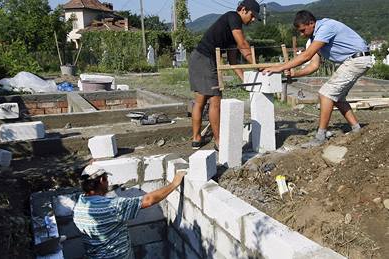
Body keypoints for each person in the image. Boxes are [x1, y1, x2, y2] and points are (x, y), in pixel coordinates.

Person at [263, 10, 373, 147]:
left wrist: (279, 67)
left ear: (311, 23)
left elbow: (306, 56)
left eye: (303, 30)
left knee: (326, 94)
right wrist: (294, 73)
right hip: (352, 61)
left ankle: (320, 137)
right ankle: (357, 129)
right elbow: (314, 65)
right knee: (337, 97)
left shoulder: (326, 27)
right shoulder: (314, 39)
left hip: (358, 59)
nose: (302, 34)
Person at [188, 0, 260, 150]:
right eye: (252, 16)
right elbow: (243, 45)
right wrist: (257, 66)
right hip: (204, 59)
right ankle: (219, 141)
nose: (253, 20)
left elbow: (232, 61)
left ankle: (196, 138)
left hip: (200, 58)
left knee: (200, 99)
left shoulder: (233, 30)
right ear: (243, 10)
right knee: (215, 100)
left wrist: (245, 80)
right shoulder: (233, 17)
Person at [73, 164, 186, 259]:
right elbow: (148, 200)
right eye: (107, 179)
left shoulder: (80, 204)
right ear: (102, 180)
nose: (108, 184)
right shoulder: (111, 206)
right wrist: (174, 184)